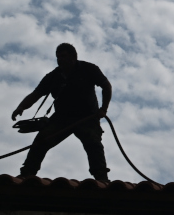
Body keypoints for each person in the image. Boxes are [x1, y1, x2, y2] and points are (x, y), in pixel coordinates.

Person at [12, 44, 112, 181]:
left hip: (87, 116)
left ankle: (101, 178)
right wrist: (21, 107)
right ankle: (27, 173)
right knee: (41, 141)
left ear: (73, 56)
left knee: (93, 144)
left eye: (63, 56)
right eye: (58, 57)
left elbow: (106, 86)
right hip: (61, 118)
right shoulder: (53, 76)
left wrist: (103, 109)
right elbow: (36, 94)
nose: (60, 60)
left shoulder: (89, 69)